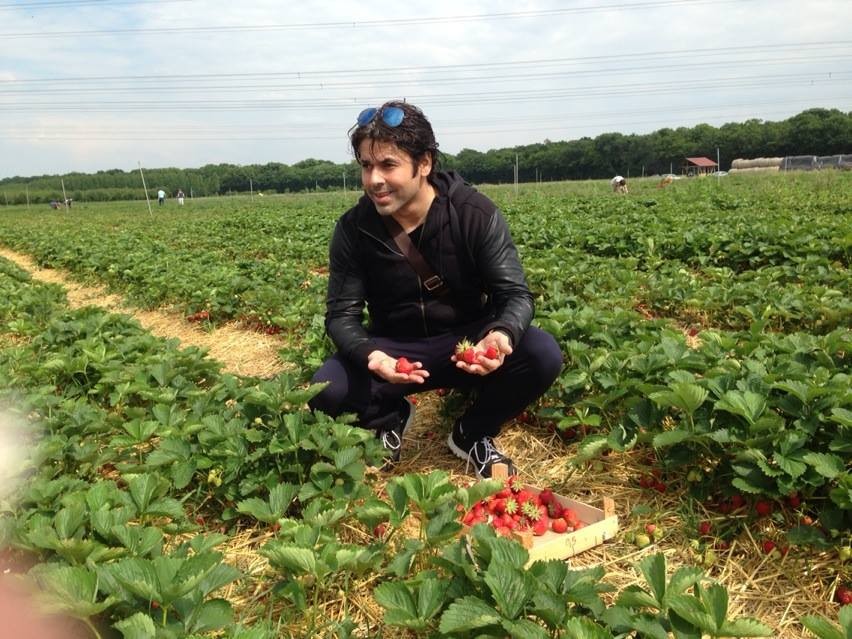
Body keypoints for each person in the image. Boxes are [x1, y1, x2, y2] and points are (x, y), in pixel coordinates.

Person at [309, 101, 563, 479]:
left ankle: (472, 432)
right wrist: (371, 355)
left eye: (388, 165)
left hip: (466, 347)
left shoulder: (473, 213)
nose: (374, 179)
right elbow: (341, 316)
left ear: (424, 163)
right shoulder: (354, 229)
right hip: (396, 350)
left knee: (542, 354)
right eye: (366, 166)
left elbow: (515, 295)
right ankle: (389, 418)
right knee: (325, 389)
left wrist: (499, 335)